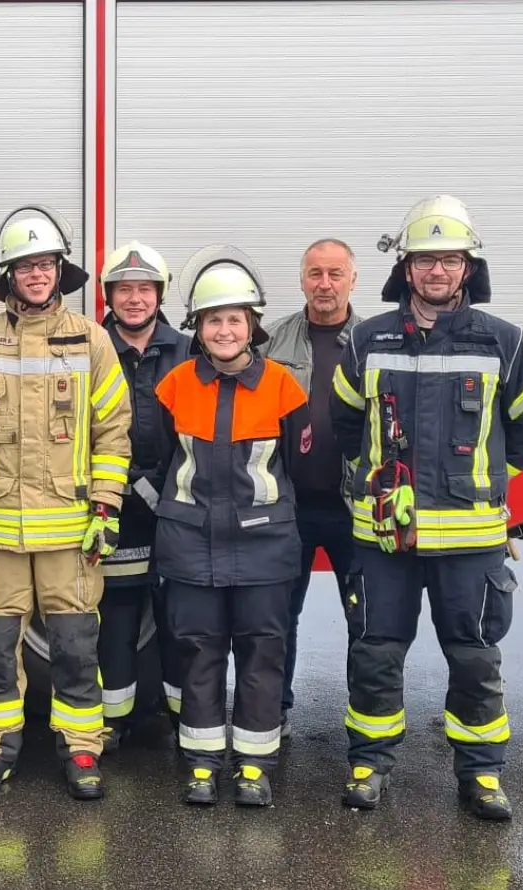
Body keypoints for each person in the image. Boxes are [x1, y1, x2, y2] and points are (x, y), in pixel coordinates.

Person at [331, 196, 523, 820]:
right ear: (406, 269)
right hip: (385, 538)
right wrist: (372, 480)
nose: (437, 271)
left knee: (475, 658)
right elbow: (346, 421)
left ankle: (481, 776)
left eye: (449, 260)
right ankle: (369, 764)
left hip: (471, 539)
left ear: (467, 268)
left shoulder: (504, 342)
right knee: (375, 652)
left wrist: (483, 481)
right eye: (425, 259)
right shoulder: (367, 338)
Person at [0, 205, 131, 800]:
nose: (37, 274)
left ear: (59, 270)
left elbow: (113, 427)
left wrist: (105, 506)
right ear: (9, 275)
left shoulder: (91, 339)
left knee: (76, 647)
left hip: (71, 531)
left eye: (45, 264)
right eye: (25, 266)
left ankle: (80, 748)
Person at [154, 246, 309, 807]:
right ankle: (200, 762)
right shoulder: (174, 385)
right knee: (198, 652)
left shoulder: (284, 388)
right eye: (213, 320)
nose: (224, 330)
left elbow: (300, 466)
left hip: (264, 548)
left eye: (234, 319)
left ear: (253, 326)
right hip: (191, 545)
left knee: (262, 655)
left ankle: (253, 766)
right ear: (197, 327)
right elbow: (163, 455)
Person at [259, 238, 363, 736]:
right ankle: (273, 712)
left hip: (355, 506)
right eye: (315, 273)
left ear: (352, 280)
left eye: (335, 274)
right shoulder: (271, 342)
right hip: (288, 503)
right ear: (301, 279)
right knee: (278, 618)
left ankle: (367, 718)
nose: (325, 284)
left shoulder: (375, 341)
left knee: (366, 620)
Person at [96, 241, 189, 749]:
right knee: (118, 620)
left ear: (159, 294)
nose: (135, 299)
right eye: (125, 289)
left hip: (178, 506)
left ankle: (184, 721)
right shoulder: (92, 348)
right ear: (111, 296)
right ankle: (114, 721)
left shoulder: (188, 349)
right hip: (116, 505)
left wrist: (167, 487)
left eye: (144, 289)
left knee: (179, 620)